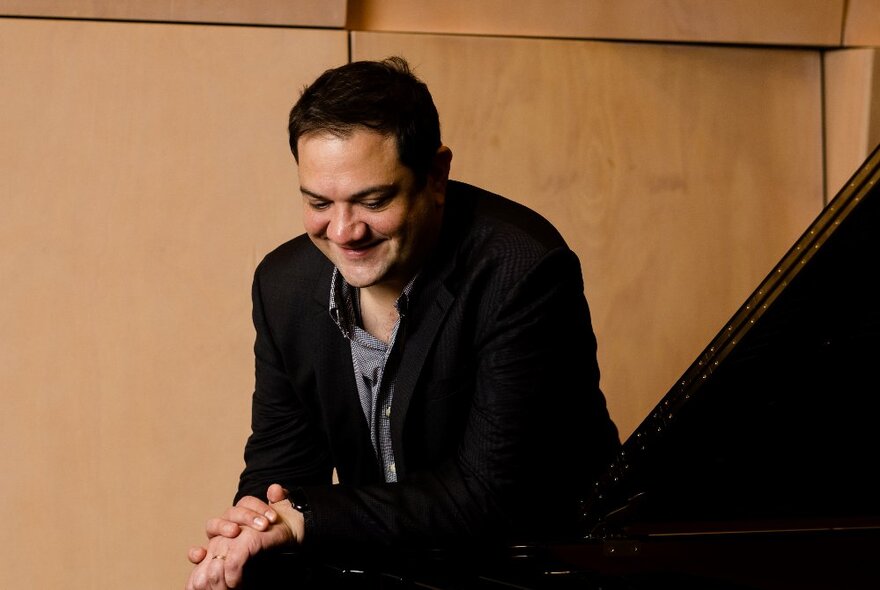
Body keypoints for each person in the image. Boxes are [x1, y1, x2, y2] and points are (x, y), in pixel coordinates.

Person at [185, 56, 619, 590]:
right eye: (319, 202)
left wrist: (305, 518)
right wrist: (248, 530)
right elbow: (282, 469)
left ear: (436, 176)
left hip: (534, 568)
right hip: (391, 565)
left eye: (373, 200)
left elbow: (488, 495)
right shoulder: (283, 285)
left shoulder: (523, 270)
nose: (344, 231)